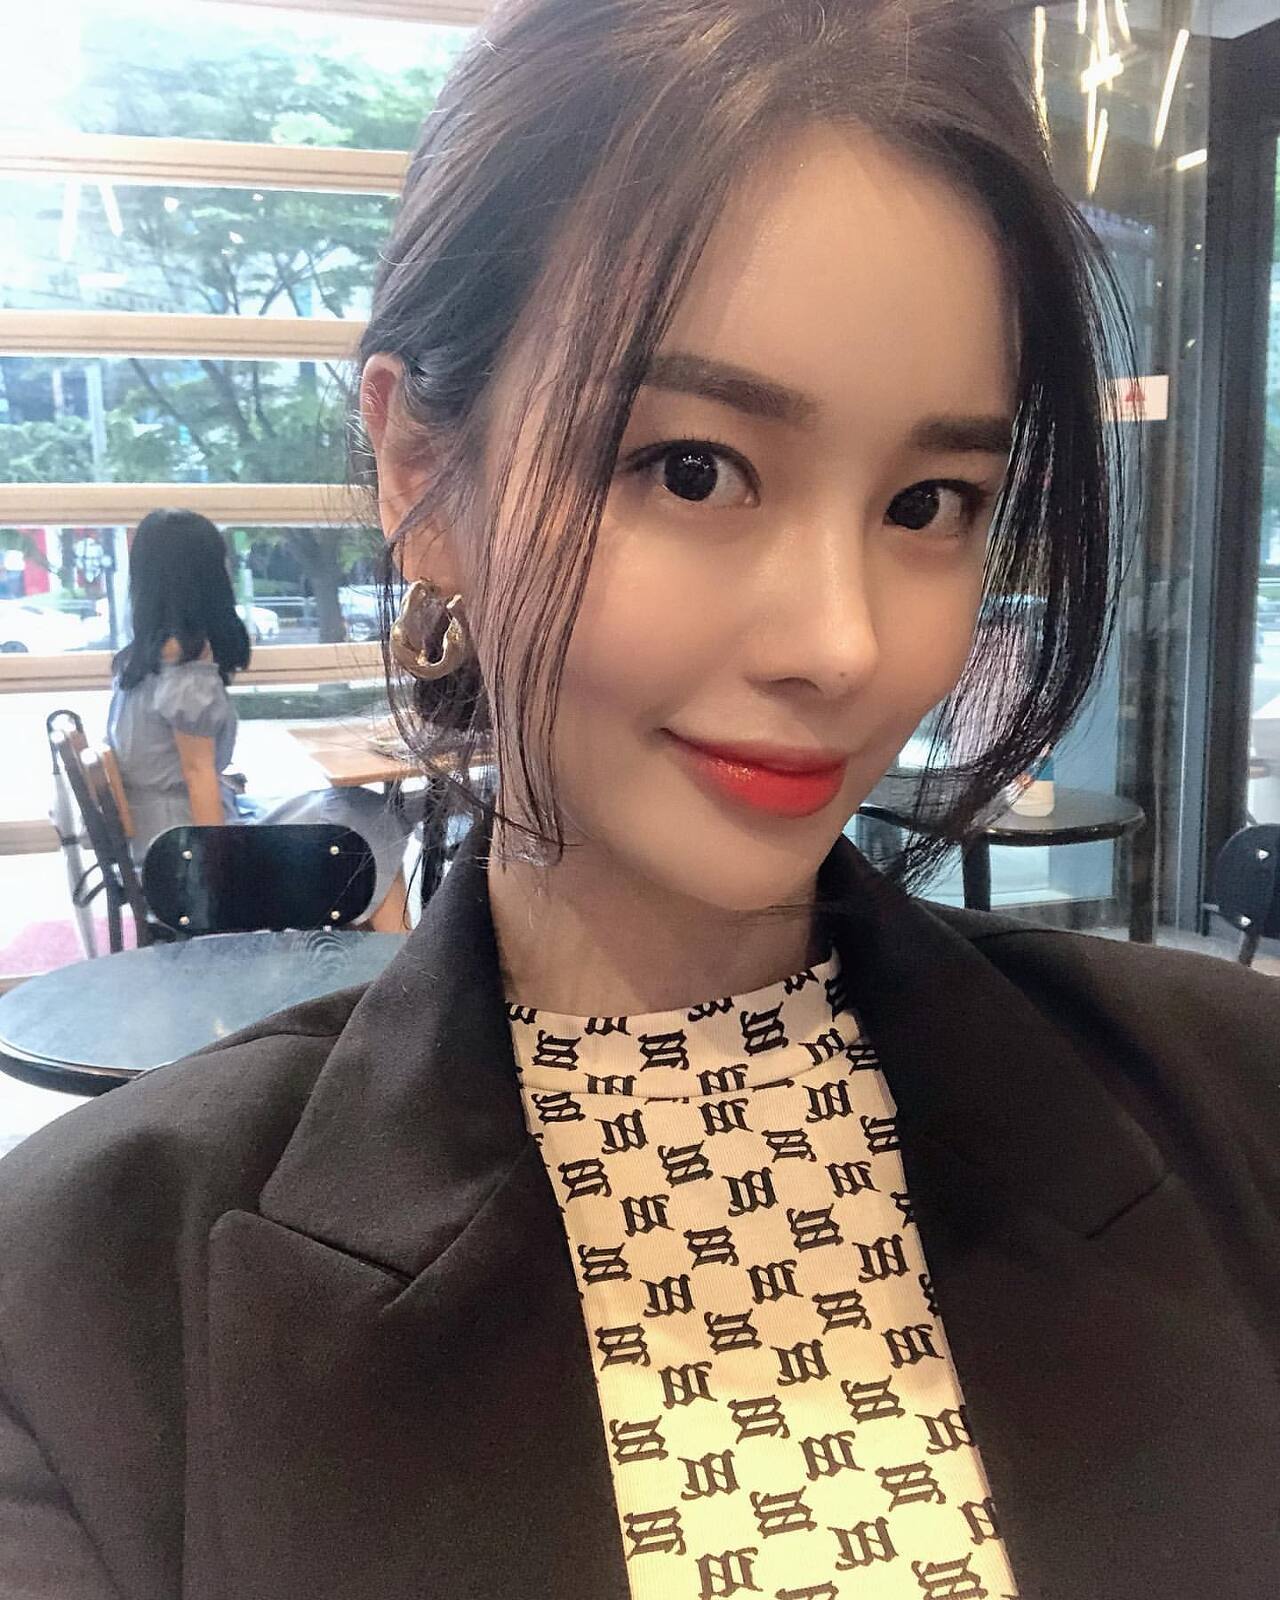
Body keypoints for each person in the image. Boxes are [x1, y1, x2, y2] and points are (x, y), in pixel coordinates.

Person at [2, 1, 1278, 1596]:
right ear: (421, 472)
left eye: (928, 501)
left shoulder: (1238, 1105)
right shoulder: (86, 1302)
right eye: (693, 469)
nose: (842, 643)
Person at [105, 507, 412, 931]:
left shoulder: (137, 664)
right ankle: (401, 952)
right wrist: (215, 885)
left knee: (354, 816)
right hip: (186, 858)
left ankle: (387, 953)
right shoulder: (185, 670)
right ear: (204, 577)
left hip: (159, 845)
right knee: (368, 814)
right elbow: (198, 776)